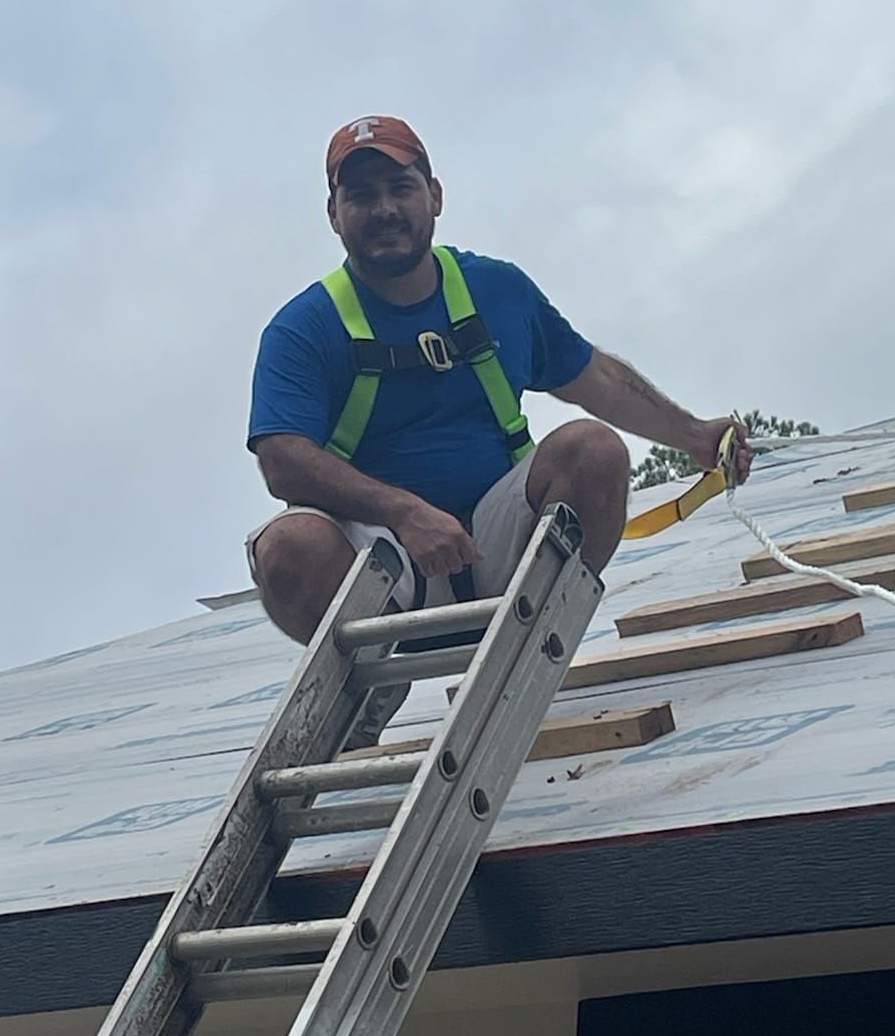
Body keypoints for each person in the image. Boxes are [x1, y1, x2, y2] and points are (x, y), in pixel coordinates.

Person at [246, 115, 752, 744]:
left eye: (400, 189)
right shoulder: (306, 327)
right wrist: (404, 511)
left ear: (434, 195)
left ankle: (531, 651)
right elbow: (283, 461)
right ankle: (366, 686)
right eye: (361, 195)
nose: (383, 209)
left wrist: (697, 438)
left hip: (498, 549)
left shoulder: (496, 292)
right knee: (287, 547)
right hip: (382, 575)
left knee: (593, 450)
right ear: (334, 213)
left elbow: (596, 379)